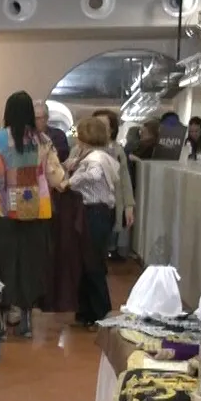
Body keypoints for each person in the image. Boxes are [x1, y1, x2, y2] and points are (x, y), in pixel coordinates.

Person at [0, 91, 56, 338]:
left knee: (0, 265)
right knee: (29, 264)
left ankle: (0, 320)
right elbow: (53, 174)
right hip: (35, 212)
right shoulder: (43, 141)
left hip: (2, 211)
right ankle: (26, 319)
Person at [64, 115, 122, 326]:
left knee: (92, 263)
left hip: (94, 213)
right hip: (93, 213)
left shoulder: (95, 158)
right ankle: (87, 312)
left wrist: (70, 181)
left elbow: (94, 175)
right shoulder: (93, 155)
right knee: (87, 262)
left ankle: (99, 312)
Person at [90, 108, 136, 259]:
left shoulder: (117, 150)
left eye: (103, 125)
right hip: (87, 206)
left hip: (110, 205)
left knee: (104, 245)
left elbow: (124, 180)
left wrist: (129, 206)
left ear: (111, 129)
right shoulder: (81, 149)